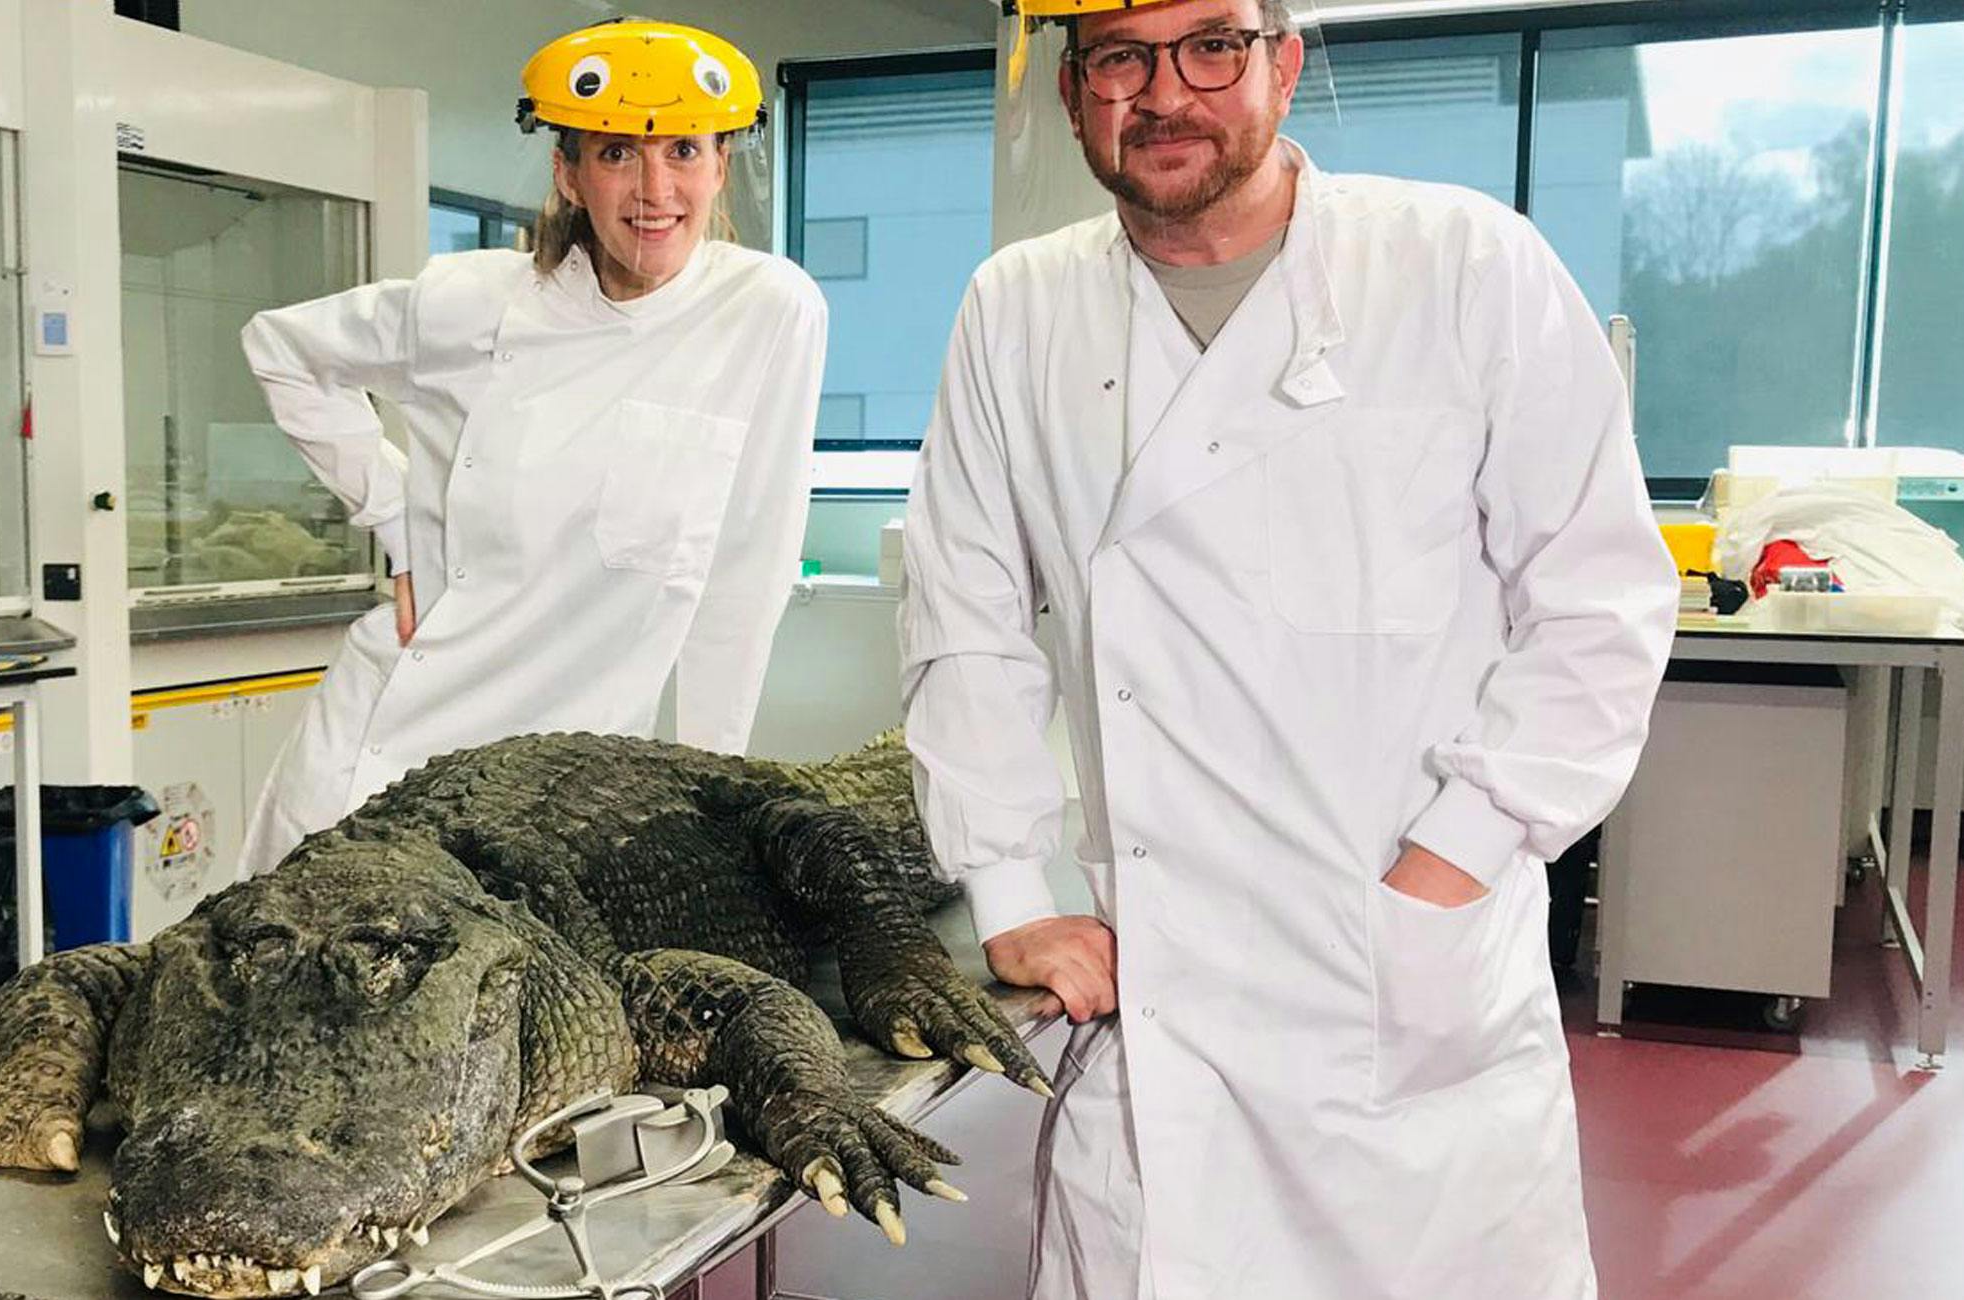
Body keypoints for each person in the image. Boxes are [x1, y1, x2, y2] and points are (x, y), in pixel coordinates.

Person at [898, 0, 1677, 1295]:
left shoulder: (1464, 268)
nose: (1166, 92)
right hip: (1159, 993)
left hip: (1404, 977)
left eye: (1211, 45)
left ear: (1284, 61)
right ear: (1074, 87)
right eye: (1120, 57)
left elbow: (1598, 607)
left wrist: (1452, 868)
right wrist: (1013, 893)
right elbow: (963, 617)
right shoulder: (1019, 310)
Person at [236, 18, 828, 878]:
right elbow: (280, 348)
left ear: (720, 164)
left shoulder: (769, 310)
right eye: (618, 153)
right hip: (386, 754)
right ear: (569, 172)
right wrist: (398, 519)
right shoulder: (473, 302)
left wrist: (709, 793)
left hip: (559, 794)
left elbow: (746, 570)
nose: (654, 188)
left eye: (684, 152)